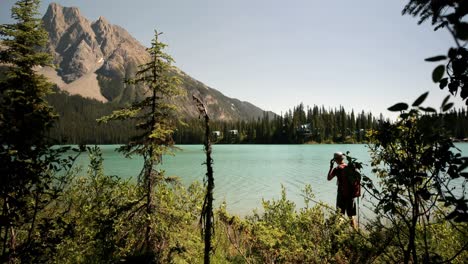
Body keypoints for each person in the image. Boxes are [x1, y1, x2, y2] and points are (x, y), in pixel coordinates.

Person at [327, 152, 357, 229]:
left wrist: (331, 166)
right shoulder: (349, 167)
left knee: (339, 215)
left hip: (341, 194)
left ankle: (340, 234)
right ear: (343, 158)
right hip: (350, 195)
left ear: (335, 160)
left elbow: (329, 178)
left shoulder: (337, 169)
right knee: (351, 216)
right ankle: (355, 233)